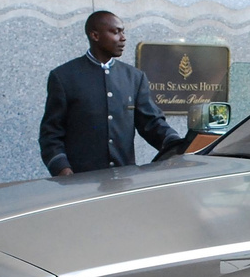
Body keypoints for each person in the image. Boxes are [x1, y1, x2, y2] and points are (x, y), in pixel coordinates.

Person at [39, 11, 178, 176]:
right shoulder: (64, 77)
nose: (123, 38)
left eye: (123, 31)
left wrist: (178, 144)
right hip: (81, 182)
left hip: (124, 180)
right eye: (116, 32)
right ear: (95, 35)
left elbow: (151, 123)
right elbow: (51, 133)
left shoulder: (134, 77)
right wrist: (62, 169)